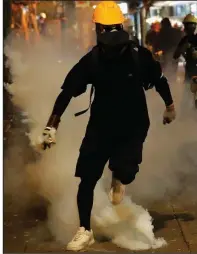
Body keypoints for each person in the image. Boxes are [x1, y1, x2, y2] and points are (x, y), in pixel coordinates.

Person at [40, 1, 176, 251]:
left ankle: (119, 176)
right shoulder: (92, 60)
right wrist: (52, 125)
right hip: (101, 128)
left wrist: (170, 106)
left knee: (126, 171)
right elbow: (67, 92)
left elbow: (159, 79)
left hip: (132, 128)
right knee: (87, 179)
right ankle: (85, 230)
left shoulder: (138, 55)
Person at [173, 14, 197, 106]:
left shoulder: (185, 39)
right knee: (186, 96)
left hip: (190, 72)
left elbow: (175, 55)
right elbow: (176, 55)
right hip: (190, 72)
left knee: (186, 97)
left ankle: (185, 115)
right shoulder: (185, 40)